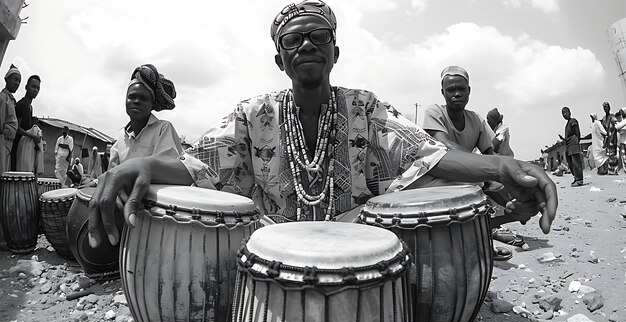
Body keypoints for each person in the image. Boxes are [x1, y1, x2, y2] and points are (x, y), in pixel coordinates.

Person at [88, 1, 557, 260]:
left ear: (335, 53)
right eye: (294, 40)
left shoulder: (364, 107)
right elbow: (200, 162)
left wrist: (500, 166)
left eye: (320, 37)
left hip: (358, 248)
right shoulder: (254, 113)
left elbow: (423, 154)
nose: (308, 43)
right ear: (280, 59)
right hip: (269, 253)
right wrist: (145, 164)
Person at [421, 66, 524, 258]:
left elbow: (491, 156)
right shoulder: (435, 112)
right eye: (451, 90)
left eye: (461, 89)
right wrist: (485, 172)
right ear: (443, 93)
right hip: (437, 182)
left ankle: (483, 237)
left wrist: (511, 194)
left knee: (512, 200)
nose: (457, 93)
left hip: (469, 180)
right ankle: (476, 241)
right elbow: (443, 144)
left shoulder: (476, 120)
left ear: (469, 90)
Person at [108, 64, 183, 170]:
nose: (136, 101)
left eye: (143, 98)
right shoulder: (122, 137)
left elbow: (166, 167)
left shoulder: (163, 129)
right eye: (132, 97)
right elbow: (112, 172)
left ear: (152, 104)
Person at [12, 75, 43, 173]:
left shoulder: (30, 107)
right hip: (17, 148)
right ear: (26, 87)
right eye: (33, 86)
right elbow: (17, 128)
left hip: (25, 149)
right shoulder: (21, 105)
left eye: (38, 88)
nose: (35, 90)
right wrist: (33, 136)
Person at [0, 64, 20, 175]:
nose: (17, 83)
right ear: (6, 79)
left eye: (19, 81)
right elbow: (1, 122)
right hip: (3, 139)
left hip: (9, 141)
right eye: (15, 79)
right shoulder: (3, 98)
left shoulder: (11, 99)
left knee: (5, 172)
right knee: (2, 172)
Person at [558, 107, 584, 187]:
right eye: (563, 114)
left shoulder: (573, 121)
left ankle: (579, 180)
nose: (565, 115)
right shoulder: (567, 124)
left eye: (566, 112)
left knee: (576, 162)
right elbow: (568, 137)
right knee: (571, 163)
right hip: (568, 145)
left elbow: (577, 133)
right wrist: (563, 139)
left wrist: (576, 142)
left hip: (573, 144)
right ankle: (576, 178)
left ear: (570, 112)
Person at [601, 102, 619, 175]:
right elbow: (602, 129)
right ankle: (610, 170)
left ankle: (614, 170)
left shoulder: (612, 116)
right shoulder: (604, 118)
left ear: (609, 107)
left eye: (607, 107)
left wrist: (612, 137)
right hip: (607, 139)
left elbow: (616, 127)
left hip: (613, 138)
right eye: (604, 107)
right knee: (608, 154)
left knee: (613, 154)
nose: (606, 109)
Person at [615, 107, 626, 173]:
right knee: (623, 157)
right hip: (622, 142)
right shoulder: (622, 122)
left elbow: (617, 128)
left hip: (623, 141)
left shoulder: (623, 122)